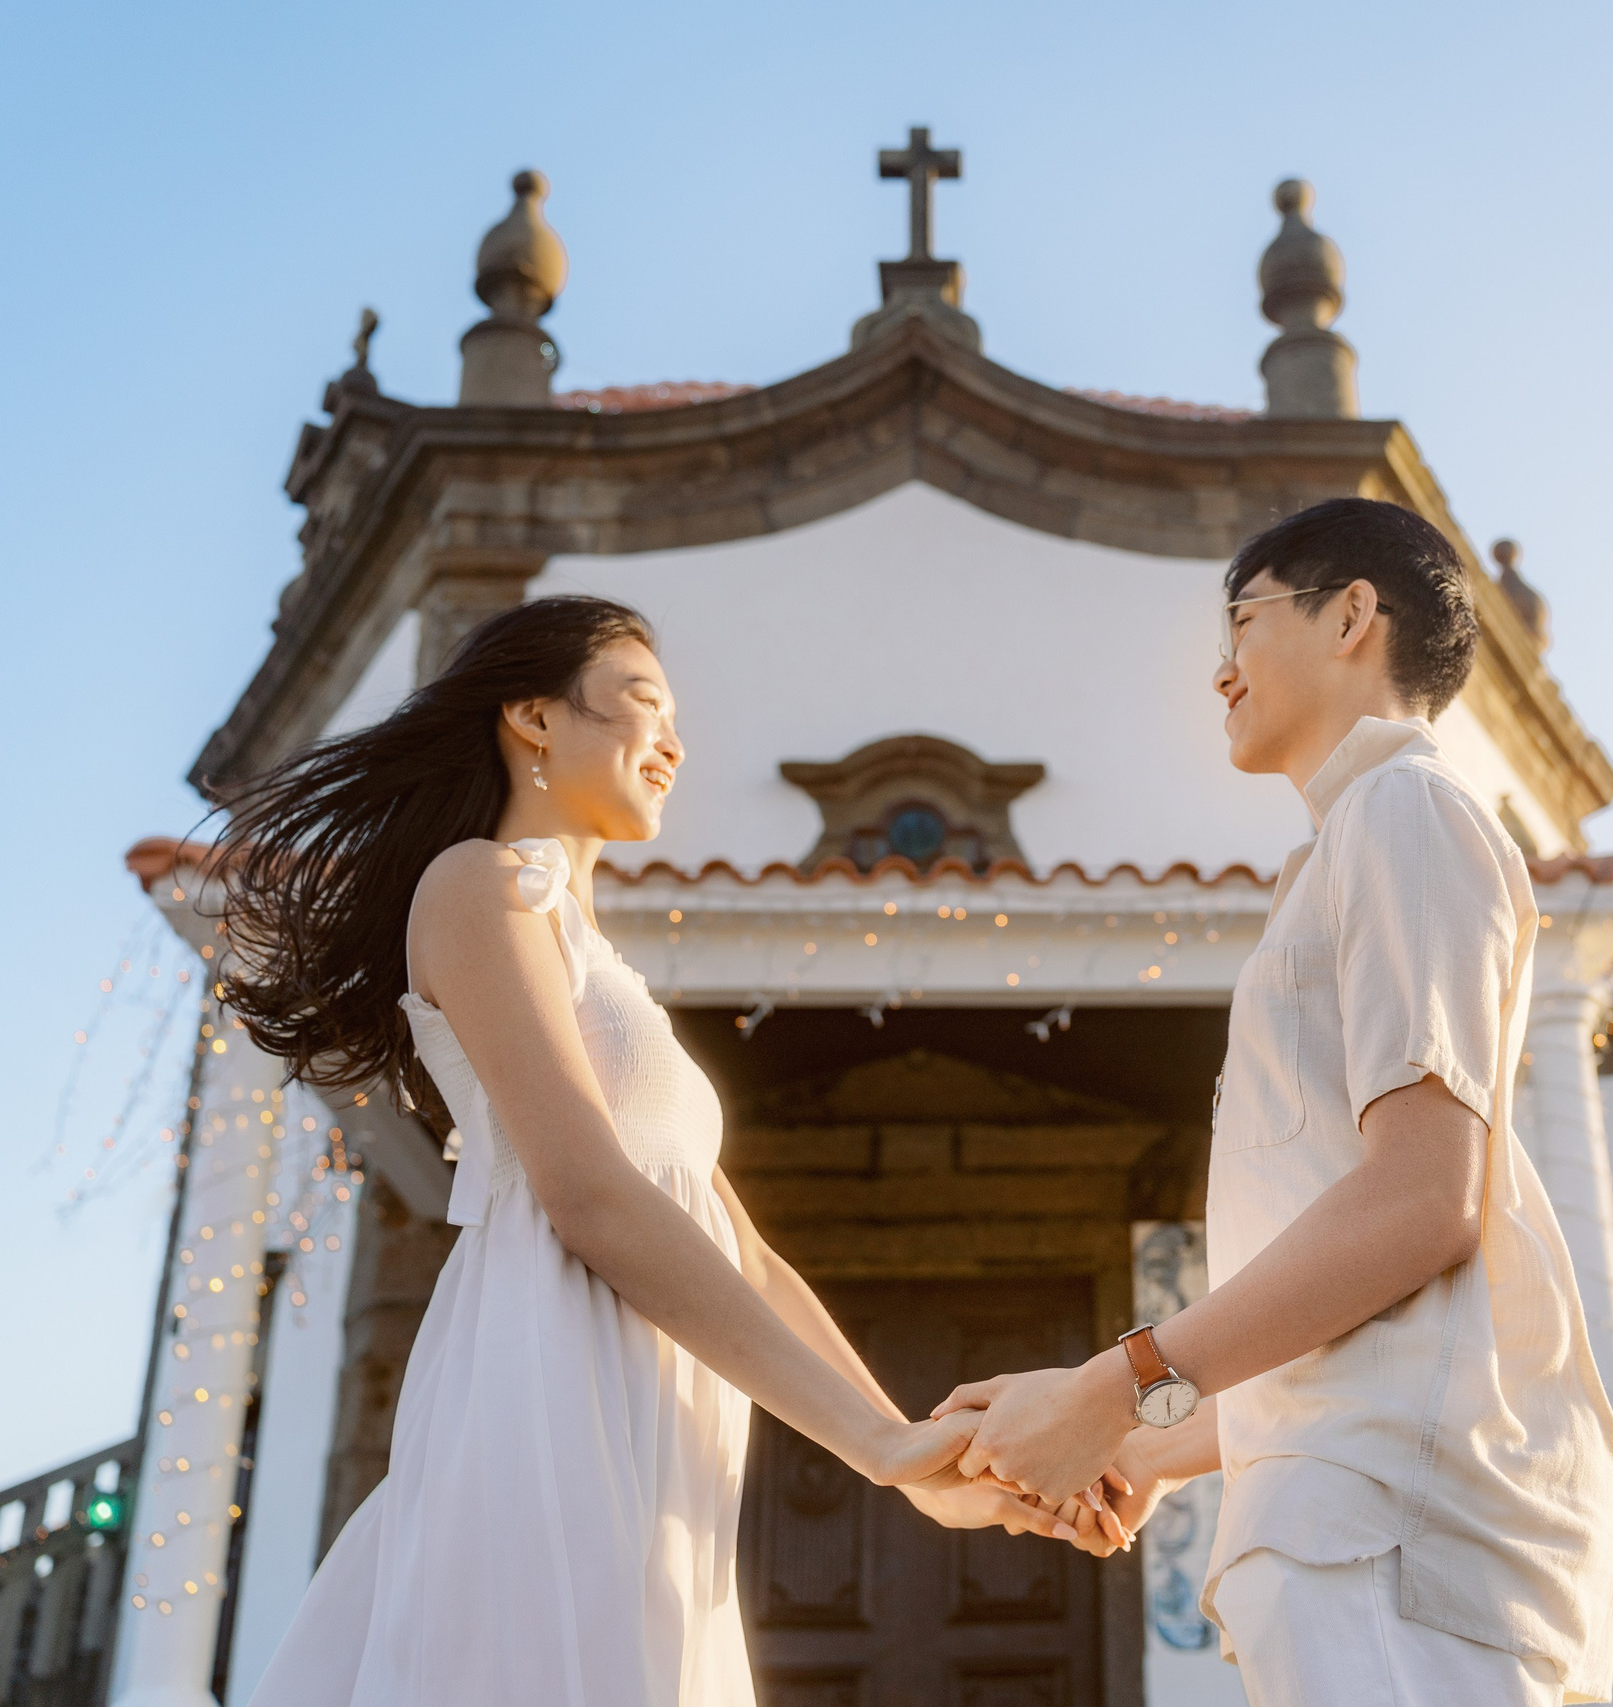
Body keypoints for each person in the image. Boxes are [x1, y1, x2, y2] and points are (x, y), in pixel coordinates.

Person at [215, 597, 1095, 1706]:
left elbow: (746, 1253)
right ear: (533, 716)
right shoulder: (480, 886)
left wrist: (912, 1459)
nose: (675, 743)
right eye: (643, 705)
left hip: (656, 1396)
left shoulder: (597, 959)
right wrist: (872, 1442)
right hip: (550, 1372)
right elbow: (587, 1197)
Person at [935, 500, 1613, 1705]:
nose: (1220, 669)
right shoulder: (1352, 839)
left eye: (1242, 622)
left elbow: (1422, 1207)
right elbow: (1365, 1305)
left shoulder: (1406, 806)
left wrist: (1109, 1388)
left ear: (1353, 615)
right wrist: (1151, 1449)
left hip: (1389, 1528)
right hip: (1350, 1514)